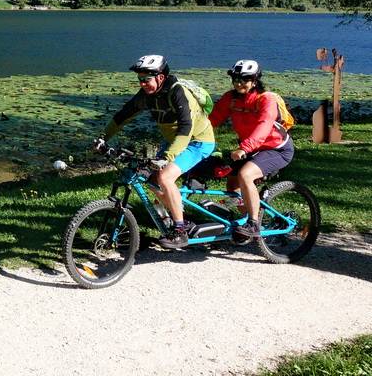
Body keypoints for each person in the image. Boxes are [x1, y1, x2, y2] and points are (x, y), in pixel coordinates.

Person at [99, 54, 216, 249]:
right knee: (150, 179)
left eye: (146, 79)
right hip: (174, 142)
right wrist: (103, 138)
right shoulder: (147, 95)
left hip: (198, 142)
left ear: (160, 77)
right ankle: (177, 213)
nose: (142, 83)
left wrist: (166, 157)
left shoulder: (178, 93)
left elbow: (186, 128)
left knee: (165, 178)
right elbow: (123, 116)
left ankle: (180, 231)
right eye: (140, 80)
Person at [208, 59, 294, 243]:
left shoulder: (266, 99)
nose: (239, 83)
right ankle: (249, 220)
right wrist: (195, 137)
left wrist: (244, 148)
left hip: (276, 149)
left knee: (246, 175)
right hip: (251, 148)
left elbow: (263, 127)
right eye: (236, 79)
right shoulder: (230, 99)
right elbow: (213, 119)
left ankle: (253, 223)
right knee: (232, 184)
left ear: (254, 81)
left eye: (245, 79)